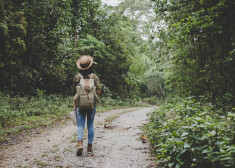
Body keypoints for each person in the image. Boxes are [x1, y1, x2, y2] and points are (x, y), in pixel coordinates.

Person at [72, 55, 101, 157]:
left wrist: (75, 105)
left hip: (80, 104)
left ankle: (80, 144)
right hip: (92, 105)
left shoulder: (77, 77)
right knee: (90, 125)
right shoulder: (95, 77)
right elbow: (98, 89)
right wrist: (94, 98)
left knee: (80, 125)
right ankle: (90, 148)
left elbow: (74, 92)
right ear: (90, 65)